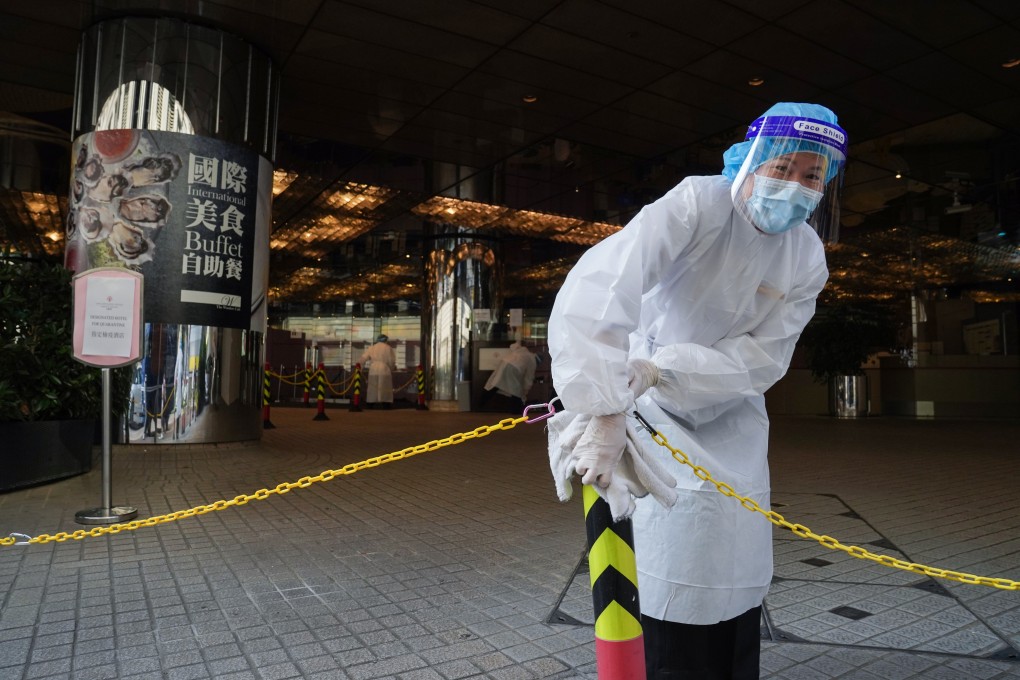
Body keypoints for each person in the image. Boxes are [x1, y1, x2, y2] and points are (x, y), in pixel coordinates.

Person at [546, 102, 847, 679]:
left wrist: (670, 370)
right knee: (667, 559)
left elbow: (764, 357)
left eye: (813, 176)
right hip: (646, 408)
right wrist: (607, 400)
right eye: (783, 168)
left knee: (733, 560)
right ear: (750, 162)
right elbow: (602, 287)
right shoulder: (697, 204)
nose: (796, 186)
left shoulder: (806, 252)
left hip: (732, 417)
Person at [480, 340, 538, 413]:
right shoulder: (532, 360)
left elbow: (513, 346)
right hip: (515, 368)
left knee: (494, 385)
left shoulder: (523, 351)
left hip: (504, 363)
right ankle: (516, 410)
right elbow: (528, 379)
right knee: (516, 390)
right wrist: (525, 393)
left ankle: (479, 405)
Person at [359, 334, 397, 408]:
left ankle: (370, 403)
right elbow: (391, 361)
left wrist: (359, 368)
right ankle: (385, 404)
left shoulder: (372, 347)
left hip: (373, 368)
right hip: (384, 368)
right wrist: (391, 368)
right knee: (384, 387)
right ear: (386, 340)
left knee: (373, 387)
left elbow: (363, 359)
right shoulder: (388, 348)